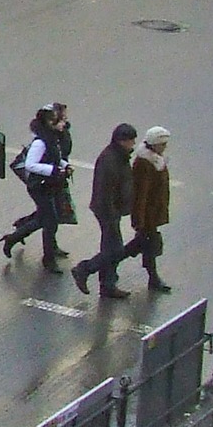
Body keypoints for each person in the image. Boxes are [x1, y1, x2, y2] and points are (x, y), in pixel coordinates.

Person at [72, 123, 143, 299]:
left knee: (109, 248)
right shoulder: (110, 159)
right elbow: (105, 190)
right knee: (115, 250)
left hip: (113, 209)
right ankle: (84, 269)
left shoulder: (120, 156)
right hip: (107, 210)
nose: (133, 144)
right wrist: (112, 212)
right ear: (121, 140)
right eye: (131, 140)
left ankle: (108, 285)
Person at [1, 104, 71, 272]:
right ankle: (48, 259)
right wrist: (54, 170)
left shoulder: (51, 137)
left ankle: (14, 238)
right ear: (51, 123)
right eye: (61, 121)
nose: (64, 123)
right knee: (50, 221)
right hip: (40, 187)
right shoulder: (40, 142)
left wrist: (64, 165)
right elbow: (30, 164)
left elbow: (55, 157)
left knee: (45, 218)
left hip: (50, 184)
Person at [129, 126, 174, 294]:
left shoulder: (154, 160)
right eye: (162, 143)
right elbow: (141, 194)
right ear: (154, 144)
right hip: (147, 216)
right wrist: (139, 221)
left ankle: (153, 278)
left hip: (151, 215)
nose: (165, 147)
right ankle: (92, 267)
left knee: (145, 245)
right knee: (145, 245)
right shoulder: (145, 163)